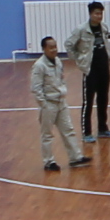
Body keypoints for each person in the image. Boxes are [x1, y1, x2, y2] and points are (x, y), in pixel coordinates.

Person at [30, 35, 83, 172]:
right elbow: (36, 88)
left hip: (61, 102)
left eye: (55, 47)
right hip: (49, 104)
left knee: (68, 130)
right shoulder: (39, 66)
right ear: (44, 49)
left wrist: (63, 92)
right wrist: (44, 104)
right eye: (51, 47)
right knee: (47, 135)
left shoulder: (58, 62)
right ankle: (49, 162)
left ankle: (75, 157)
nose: (54, 50)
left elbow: (61, 79)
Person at [66, 1, 110, 144]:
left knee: (103, 98)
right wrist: (79, 60)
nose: (99, 16)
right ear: (90, 14)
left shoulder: (104, 28)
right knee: (88, 101)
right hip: (90, 69)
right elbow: (69, 45)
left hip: (104, 67)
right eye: (96, 13)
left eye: (101, 13)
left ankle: (102, 129)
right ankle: (86, 132)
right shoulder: (81, 29)